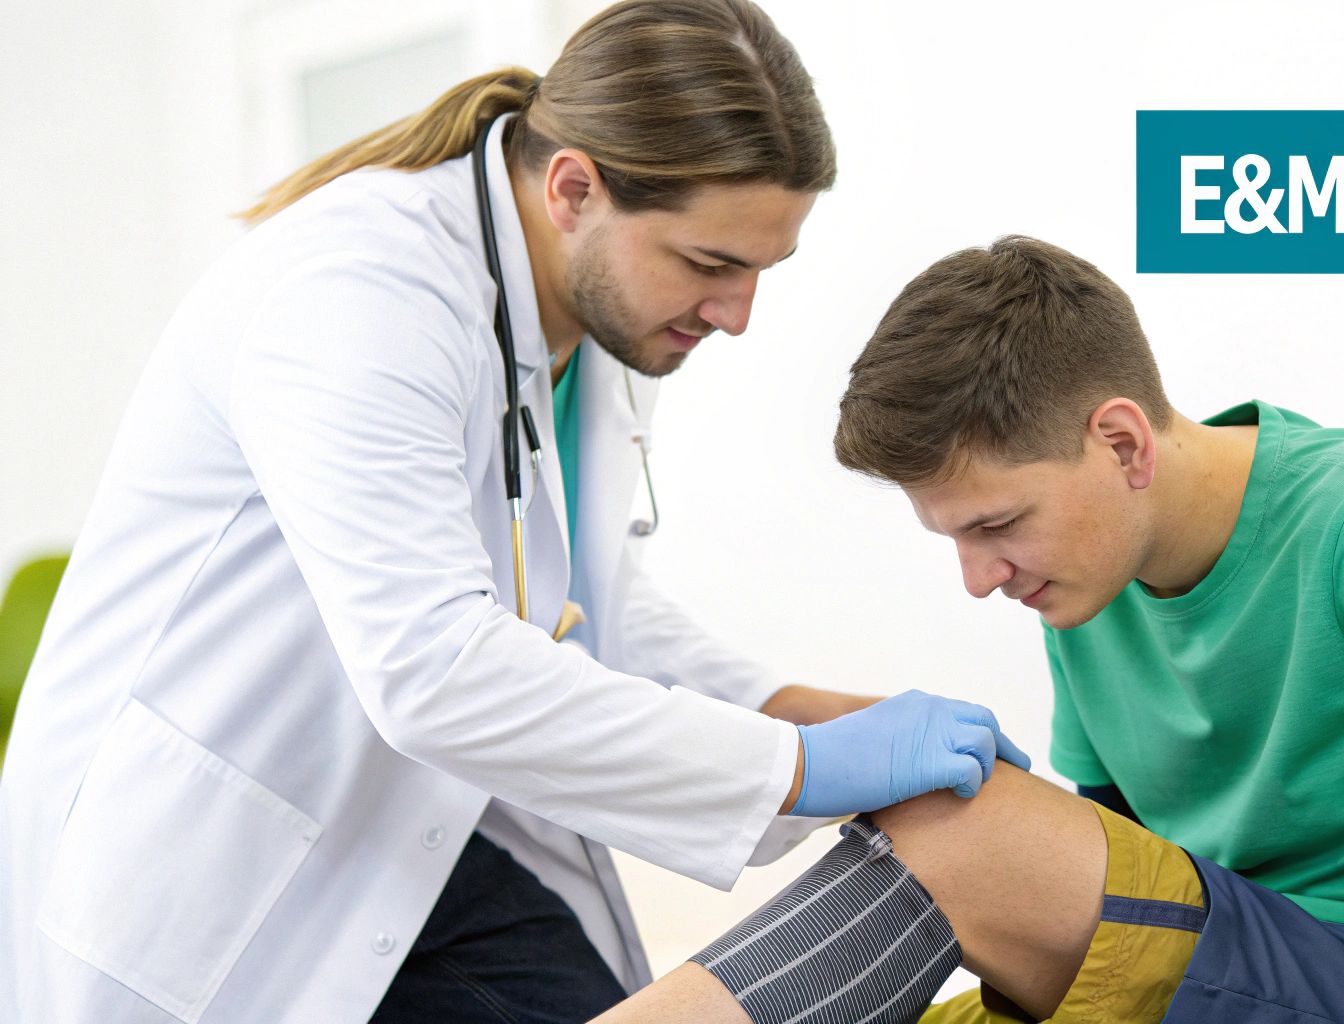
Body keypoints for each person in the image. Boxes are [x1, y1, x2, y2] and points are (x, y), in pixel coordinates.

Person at [0, 4, 1029, 1022]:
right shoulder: (363, 290)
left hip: (413, 827)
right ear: (572, 188)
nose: (737, 314)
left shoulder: (599, 315)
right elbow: (432, 663)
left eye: (760, 269)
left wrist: (811, 711)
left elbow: (588, 608)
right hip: (212, 862)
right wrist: (800, 769)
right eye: (712, 264)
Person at [593, 236, 1344, 1024]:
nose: (976, 577)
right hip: (1261, 966)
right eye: (951, 536)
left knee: (959, 824)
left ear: (1120, 442)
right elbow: (1115, 887)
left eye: (996, 523)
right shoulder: (1087, 586)